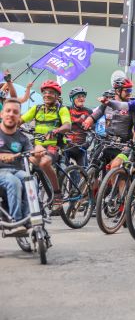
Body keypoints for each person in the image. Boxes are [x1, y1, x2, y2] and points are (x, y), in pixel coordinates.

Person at [20, 80, 71, 213]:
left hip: (52, 147)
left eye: (51, 92)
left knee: (44, 163)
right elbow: (20, 120)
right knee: (22, 161)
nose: (47, 94)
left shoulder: (62, 109)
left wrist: (56, 130)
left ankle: (58, 195)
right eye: (45, 92)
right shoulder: (37, 108)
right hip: (37, 147)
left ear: (57, 96)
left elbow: (67, 125)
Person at [0, 99, 42, 236]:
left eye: (15, 112)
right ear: (2, 114)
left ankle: (29, 219)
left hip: (18, 171)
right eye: (8, 111)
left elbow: (33, 160)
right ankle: (15, 222)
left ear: (19, 117)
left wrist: (38, 153)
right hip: (2, 172)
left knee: (30, 180)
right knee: (14, 181)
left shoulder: (23, 138)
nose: (11, 114)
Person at [65, 87, 93, 167]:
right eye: (78, 96)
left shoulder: (88, 111)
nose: (81, 98)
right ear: (72, 99)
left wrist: (87, 144)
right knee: (62, 172)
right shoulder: (66, 110)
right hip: (66, 146)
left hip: (81, 147)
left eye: (83, 96)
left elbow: (93, 131)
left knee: (83, 174)